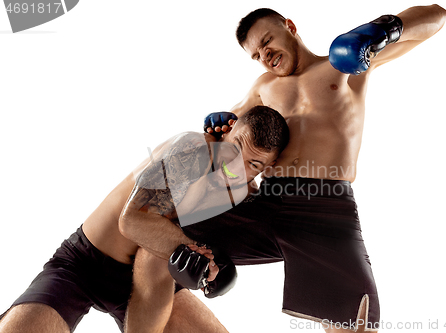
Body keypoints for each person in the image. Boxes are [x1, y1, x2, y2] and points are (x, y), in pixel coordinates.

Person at [126, 5, 446, 333]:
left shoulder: (343, 64)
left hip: (325, 208)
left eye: (267, 42)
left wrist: (382, 30)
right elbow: (225, 135)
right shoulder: (262, 87)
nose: (265, 56)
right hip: (265, 202)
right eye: (256, 54)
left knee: (355, 325)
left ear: (290, 27)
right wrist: (215, 127)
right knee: (157, 238)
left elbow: (437, 17)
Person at [0, 105, 289, 333]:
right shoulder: (194, 149)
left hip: (147, 281)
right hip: (84, 264)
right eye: (235, 147)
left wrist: (211, 267)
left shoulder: (241, 194)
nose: (234, 167)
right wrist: (204, 257)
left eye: (252, 164)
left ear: (267, 168)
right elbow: (133, 221)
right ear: (228, 129)